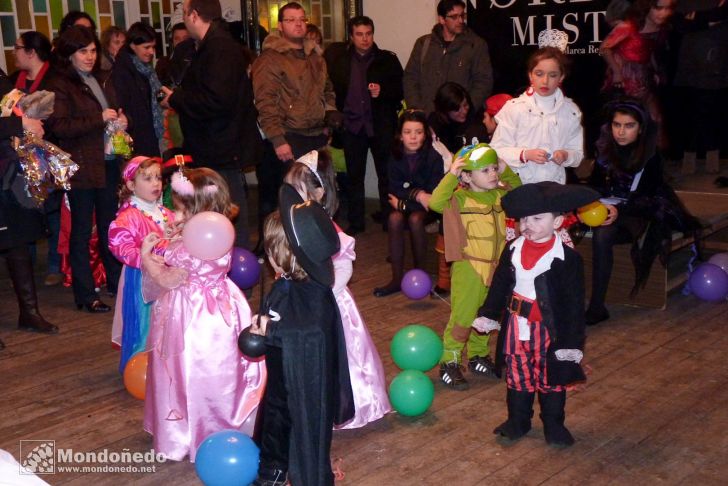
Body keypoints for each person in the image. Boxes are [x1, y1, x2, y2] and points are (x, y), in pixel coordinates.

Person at [140, 167, 266, 462]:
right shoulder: (217, 230)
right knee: (213, 368)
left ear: (196, 208)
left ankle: (197, 429)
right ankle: (216, 422)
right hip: (221, 303)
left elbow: (169, 272)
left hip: (196, 313)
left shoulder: (194, 242)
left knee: (196, 367)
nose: (175, 213)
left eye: (180, 208)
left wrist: (149, 254)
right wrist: (176, 235)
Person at [473, 181, 601, 447]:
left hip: (549, 331)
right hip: (516, 327)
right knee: (517, 376)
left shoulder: (568, 259)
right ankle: (517, 422)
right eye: (523, 219)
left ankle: (554, 426)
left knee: (550, 379)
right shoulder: (512, 250)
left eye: (537, 218)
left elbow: (574, 306)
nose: (527, 224)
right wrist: (489, 313)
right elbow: (499, 286)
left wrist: (571, 344)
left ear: (558, 222)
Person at [248, 184, 354, 485]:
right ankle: (273, 471)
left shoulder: (314, 295)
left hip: (303, 389)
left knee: (298, 430)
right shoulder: (286, 286)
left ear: (283, 256)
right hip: (282, 380)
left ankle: (296, 473)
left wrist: (272, 330)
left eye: (269, 250)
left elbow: (309, 336)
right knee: (274, 424)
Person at [284, 151, 391, 428]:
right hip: (309, 301)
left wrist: (324, 291)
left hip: (332, 302)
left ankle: (356, 404)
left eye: (298, 191)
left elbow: (343, 268)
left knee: (346, 356)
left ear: (318, 192)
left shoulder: (328, 229)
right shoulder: (294, 224)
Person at [585, 99, 700, 326]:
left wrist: (620, 209)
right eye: (617, 125)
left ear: (640, 129)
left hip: (641, 212)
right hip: (608, 209)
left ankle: (596, 306)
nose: (621, 131)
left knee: (603, 233)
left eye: (629, 126)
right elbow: (594, 185)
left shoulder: (650, 156)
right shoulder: (604, 151)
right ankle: (582, 299)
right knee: (591, 230)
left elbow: (650, 197)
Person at [160, 0, 261, 250]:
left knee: (228, 211)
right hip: (216, 146)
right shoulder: (211, 47)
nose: (183, 20)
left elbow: (216, 100)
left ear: (194, 15)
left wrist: (177, 98)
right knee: (219, 211)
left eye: (184, 14)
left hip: (222, 147)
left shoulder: (220, 49)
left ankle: (237, 275)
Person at [46, 25, 125, 312]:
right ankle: (85, 294)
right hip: (80, 167)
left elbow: (112, 111)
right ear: (69, 54)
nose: (90, 56)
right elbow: (60, 127)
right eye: (83, 52)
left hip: (107, 162)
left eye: (93, 50)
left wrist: (119, 121)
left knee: (109, 227)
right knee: (80, 232)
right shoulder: (60, 84)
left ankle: (115, 283)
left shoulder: (100, 78)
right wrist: (100, 117)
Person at [429, 143, 521, 390]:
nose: (493, 174)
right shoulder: (458, 199)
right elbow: (436, 203)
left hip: (496, 269)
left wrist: (507, 169)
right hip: (469, 268)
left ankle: (478, 354)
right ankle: (450, 360)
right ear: (467, 176)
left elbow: (521, 196)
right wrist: (451, 174)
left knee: (487, 314)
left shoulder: (500, 195)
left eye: (494, 168)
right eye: (486, 170)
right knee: (463, 316)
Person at [252, 1, 339, 242]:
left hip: (316, 135)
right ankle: (275, 246)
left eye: (302, 19)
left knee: (316, 195)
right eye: (291, 19)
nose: (298, 24)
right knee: (285, 198)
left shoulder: (316, 57)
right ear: (280, 26)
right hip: (288, 136)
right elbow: (265, 103)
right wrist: (278, 140)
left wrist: (329, 115)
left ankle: (313, 243)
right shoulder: (270, 59)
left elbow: (328, 90)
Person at [326, 15, 404, 235]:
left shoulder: (387, 59)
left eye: (368, 34)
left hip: (380, 126)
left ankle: (391, 220)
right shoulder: (338, 60)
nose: (365, 39)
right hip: (351, 127)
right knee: (354, 177)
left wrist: (383, 91)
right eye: (359, 34)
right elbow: (330, 91)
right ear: (351, 36)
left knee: (386, 175)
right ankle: (356, 222)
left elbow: (401, 89)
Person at [1, 68, 59, 351]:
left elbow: (10, 106)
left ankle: (29, 312)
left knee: (18, 240)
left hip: (8, 170)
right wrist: (20, 125)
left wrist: (31, 115)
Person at [108, 157, 175, 373]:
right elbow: (121, 246)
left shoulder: (166, 213)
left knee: (168, 319)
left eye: (158, 178)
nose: (156, 183)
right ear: (131, 185)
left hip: (167, 276)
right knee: (145, 322)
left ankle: (167, 364)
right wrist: (144, 257)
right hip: (142, 280)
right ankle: (144, 365)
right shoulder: (128, 217)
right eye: (147, 179)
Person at [489, 34, 584, 186]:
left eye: (552, 75)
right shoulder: (515, 108)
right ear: (530, 75)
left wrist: (565, 155)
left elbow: (577, 154)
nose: (545, 81)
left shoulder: (570, 111)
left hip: (554, 185)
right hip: (518, 184)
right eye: (539, 74)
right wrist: (524, 154)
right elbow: (496, 150)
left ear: (561, 77)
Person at [10, 31, 63, 287]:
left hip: (48, 151)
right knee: (24, 207)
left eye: (18, 48)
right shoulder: (13, 82)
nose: (14, 53)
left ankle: (55, 264)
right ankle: (26, 267)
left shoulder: (55, 79)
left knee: (52, 209)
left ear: (31, 52)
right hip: (20, 155)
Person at [373, 110, 444, 297]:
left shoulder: (433, 158)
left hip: (428, 209)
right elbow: (394, 189)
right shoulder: (394, 156)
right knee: (394, 218)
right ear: (400, 135)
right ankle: (396, 279)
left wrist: (408, 201)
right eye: (407, 132)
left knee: (414, 219)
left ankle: (421, 275)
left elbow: (432, 195)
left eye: (418, 132)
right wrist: (418, 194)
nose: (413, 137)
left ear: (425, 135)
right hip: (405, 203)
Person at [600, 0, 676, 144]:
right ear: (648, 7)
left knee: (655, 118)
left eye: (668, 9)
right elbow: (605, 48)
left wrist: (654, 71)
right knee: (629, 121)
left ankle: (651, 159)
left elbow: (649, 51)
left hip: (644, 78)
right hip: (627, 80)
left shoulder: (660, 29)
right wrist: (617, 71)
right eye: (659, 8)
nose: (664, 13)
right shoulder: (629, 26)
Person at [403, 0, 493, 114]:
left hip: (461, 120)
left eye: (462, 15)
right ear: (441, 19)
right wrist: (416, 108)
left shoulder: (476, 45)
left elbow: (484, 82)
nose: (460, 20)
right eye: (454, 17)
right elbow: (410, 78)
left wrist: (465, 110)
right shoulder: (423, 44)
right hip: (428, 117)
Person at [111, 22, 164, 157]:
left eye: (153, 47)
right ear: (133, 45)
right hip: (135, 137)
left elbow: (155, 93)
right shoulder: (123, 70)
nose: (151, 52)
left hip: (147, 133)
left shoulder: (145, 68)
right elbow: (125, 107)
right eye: (146, 47)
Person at [428, 81, 487, 153]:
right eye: (457, 109)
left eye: (465, 105)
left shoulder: (475, 123)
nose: (464, 111)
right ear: (445, 110)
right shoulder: (434, 123)